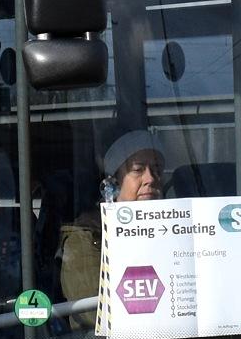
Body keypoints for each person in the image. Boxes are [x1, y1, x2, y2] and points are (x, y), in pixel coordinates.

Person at [58, 129, 168, 304]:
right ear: (114, 182)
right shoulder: (87, 237)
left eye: (157, 170)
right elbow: (93, 310)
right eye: (138, 169)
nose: (151, 178)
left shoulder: (178, 229)